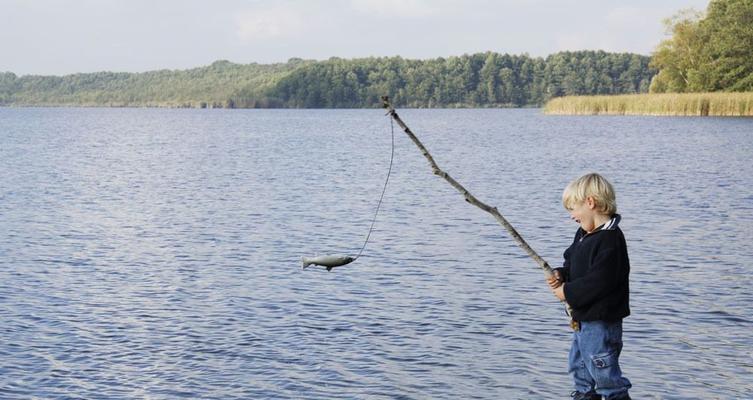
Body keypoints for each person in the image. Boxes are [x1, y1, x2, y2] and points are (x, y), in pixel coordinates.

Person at [547, 173, 632, 400]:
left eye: (573, 209)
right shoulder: (584, 234)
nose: (571, 216)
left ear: (590, 203)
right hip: (583, 321)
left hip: (601, 322)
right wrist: (561, 274)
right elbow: (572, 262)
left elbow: (599, 282)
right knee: (579, 368)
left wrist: (566, 292)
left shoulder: (610, 240)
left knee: (605, 375)